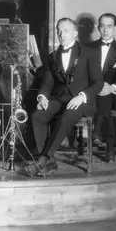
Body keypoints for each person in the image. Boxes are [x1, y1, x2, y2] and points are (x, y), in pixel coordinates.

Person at [26, 18, 104, 176]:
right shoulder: (52, 56)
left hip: (82, 101)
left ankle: (43, 160)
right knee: (37, 116)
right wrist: (42, 97)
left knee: (65, 118)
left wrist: (82, 96)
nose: (61, 34)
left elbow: (98, 82)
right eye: (59, 31)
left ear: (75, 33)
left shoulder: (90, 53)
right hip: (60, 98)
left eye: (66, 31)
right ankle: (50, 162)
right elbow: (47, 83)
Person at [87, 13, 116, 162]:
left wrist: (111, 88)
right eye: (102, 26)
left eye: (109, 26)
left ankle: (97, 131)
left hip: (110, 93)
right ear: (98, 27)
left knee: (106, 97)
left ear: (115, 28)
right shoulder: (88, 48)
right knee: (102, 97)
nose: (105, 30)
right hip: (90, 91)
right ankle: (109, 148)